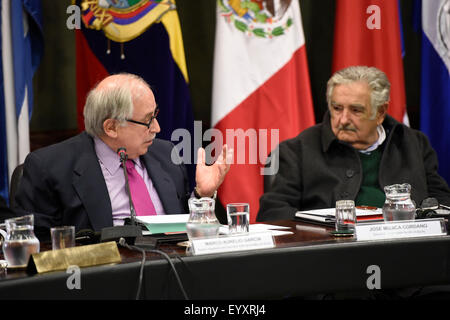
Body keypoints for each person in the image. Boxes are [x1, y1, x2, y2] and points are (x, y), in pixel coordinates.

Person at [14, 73, 231, 235]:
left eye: (155, 115)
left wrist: (203, 195)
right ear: (111, 128)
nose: (157, 128)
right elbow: (39, 248)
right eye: (147, 120)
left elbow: (191, 232)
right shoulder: (50, 168)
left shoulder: (166, 155)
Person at [257, 66, 450, 222]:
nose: (343, 119)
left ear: (380, 112)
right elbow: (273, 213)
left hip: (405, 251)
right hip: (330, 256)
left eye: (356, 110)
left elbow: (441, 202)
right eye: (337, 108)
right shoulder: (296, 151)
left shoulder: (413, 143)